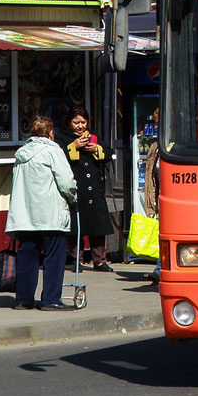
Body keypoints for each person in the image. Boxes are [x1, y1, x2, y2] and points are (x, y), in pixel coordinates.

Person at [5, 115, 76, 311]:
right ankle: (51, 299)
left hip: (25, 215)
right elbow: (67, 182)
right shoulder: (53, 151)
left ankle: (23, 299)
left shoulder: (21, 154)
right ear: (50, 133)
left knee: (27, 256)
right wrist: (72, 197)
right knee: (54, 257)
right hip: (50, 214)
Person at [62, 107, 114, 272]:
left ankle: (99, 260)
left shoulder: (93, 136)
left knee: (97, 223)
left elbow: (108, 153)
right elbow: (59, 155)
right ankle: (76, 259)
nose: (80, 126)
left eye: (83, 122)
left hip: (94, 188)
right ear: (69, 123)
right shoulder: (63, 138)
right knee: (76, 225)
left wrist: (96, 149)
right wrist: (74, 146)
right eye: (76, 122)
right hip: (76, 187)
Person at [143, 108, 161, 283]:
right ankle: (159, 268)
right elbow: (151, 176)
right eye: (155, 122)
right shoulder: (155, 146)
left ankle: (159, 268)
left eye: (159, 122)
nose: (156, 125)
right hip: (160, 197)